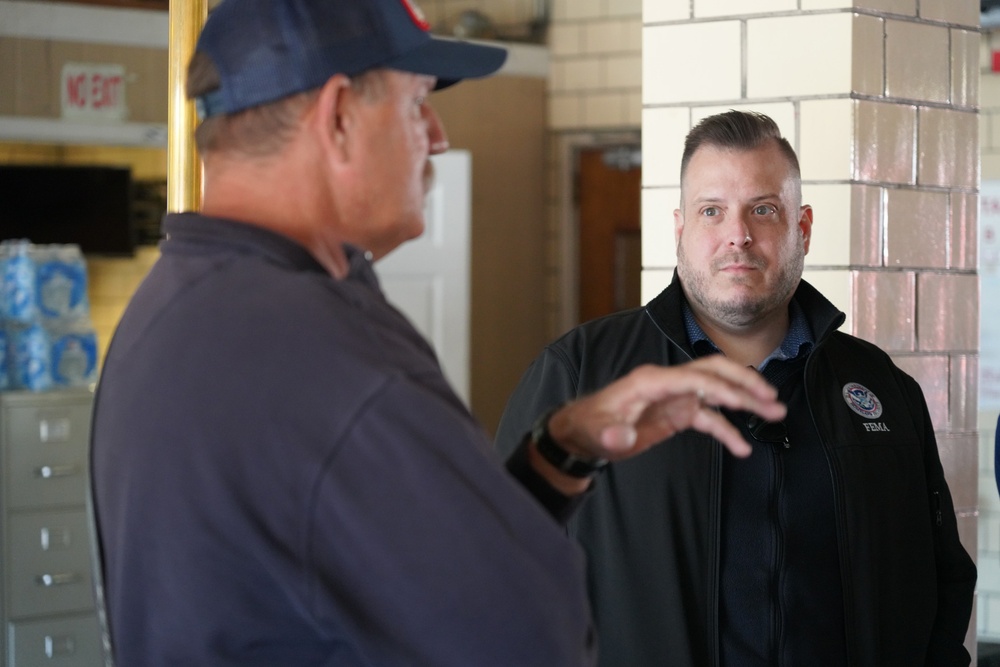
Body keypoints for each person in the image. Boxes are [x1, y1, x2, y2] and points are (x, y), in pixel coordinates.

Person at [88, 2, 788, 665]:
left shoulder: (173, 308)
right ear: (337, 117)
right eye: (417, 102)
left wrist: (561, 448)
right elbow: (528, 634)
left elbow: (377, 564)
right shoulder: (328, 355)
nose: (439, 136)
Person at [496, 110, 977, 667]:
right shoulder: (581, 374)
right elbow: (498, 564)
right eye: (711, 211)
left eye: (764, 209)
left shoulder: (879, 386)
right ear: (680, 229)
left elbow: (940, 577)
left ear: (802, 227)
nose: (738, 235)